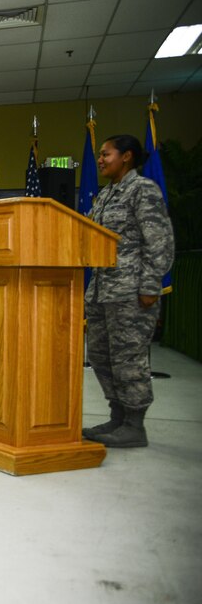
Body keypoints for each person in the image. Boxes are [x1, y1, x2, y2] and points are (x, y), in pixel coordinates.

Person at [83, 134, 175, 448]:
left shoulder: (143, 190)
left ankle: (135, 426)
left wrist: (151, 286)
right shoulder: (106, 195)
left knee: (128, 359)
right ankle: (117, 417)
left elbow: (159, 242)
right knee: (100, 355)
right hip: (101, 292)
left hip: (131, 293)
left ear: (127, 156)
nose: (100, 159)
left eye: (106, 153)